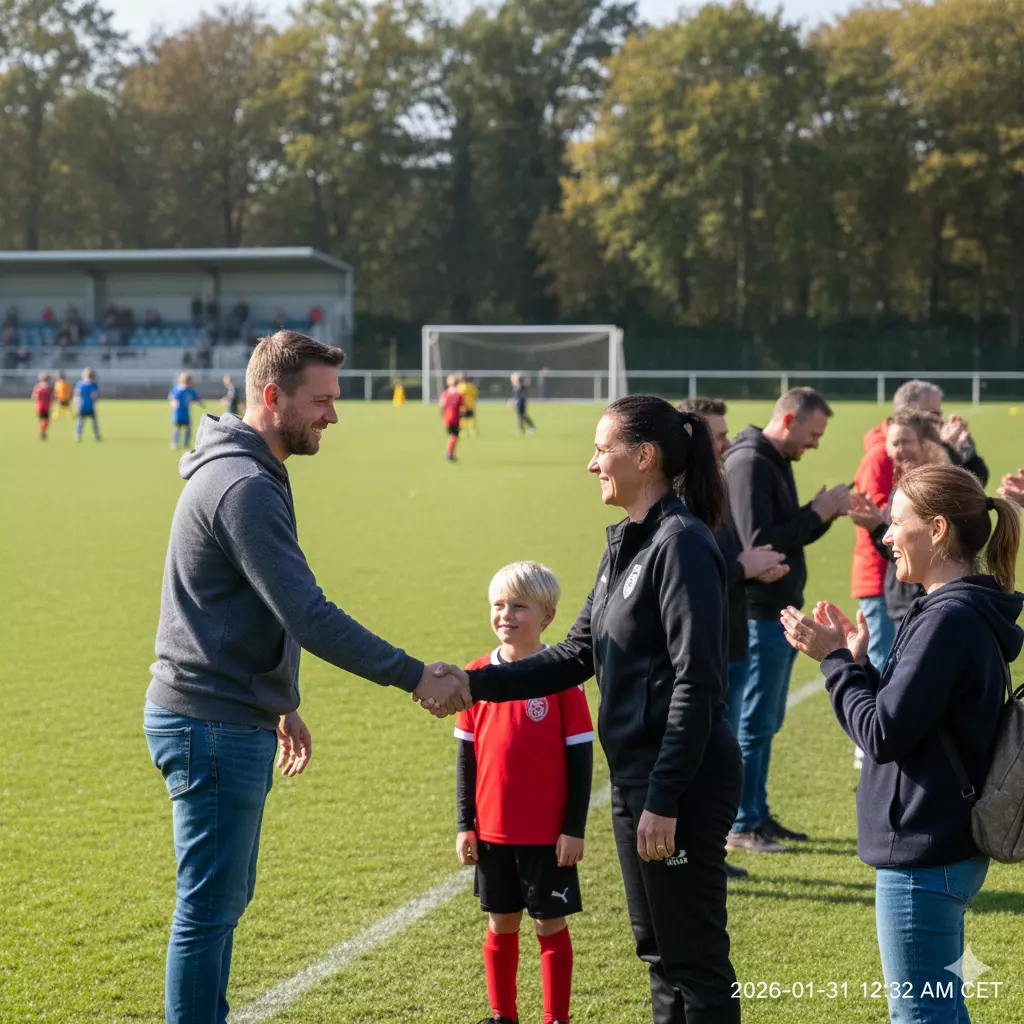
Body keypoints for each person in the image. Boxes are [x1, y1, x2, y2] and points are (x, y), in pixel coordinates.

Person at [143, 330, 470, 1024]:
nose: (333, 415)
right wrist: (413, 674)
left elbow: (248, 605)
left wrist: (279, 699)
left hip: (227, 710)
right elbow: (307, 612)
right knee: (208, 909)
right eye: (321, 400)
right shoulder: (242, 487)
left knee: (220, 904)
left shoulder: (245, 470)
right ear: (272, 397)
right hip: (211, 721)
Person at [427, 394, 743, 1024]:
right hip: (638, 782)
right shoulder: (627, 542)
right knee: (658, 952)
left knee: (695, 959)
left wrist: (665, 797)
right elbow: (575, 654)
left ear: (645, 457)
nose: (591, 464)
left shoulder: (682, 544)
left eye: (602, 450)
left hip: (676, 785)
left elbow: (697, 681)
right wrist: (474, 680)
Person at [781, 464, 1022, 1024]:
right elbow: (904, 719)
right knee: (941, 1009)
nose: (885, 536)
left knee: (921, 1015)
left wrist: (836, 662)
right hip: (941, 846)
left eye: (896, 523)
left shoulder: (948, 619)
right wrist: (859, 664)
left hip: (924, 856)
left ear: (937, 530)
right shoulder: (958, 608)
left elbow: (881, 735)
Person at [455, 561, 593, 1024]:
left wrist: (573, 828)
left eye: (519, 606)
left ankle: (556, 1018)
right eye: (498, 605)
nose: (506, 615)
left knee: (549, 926)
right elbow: (466, 760)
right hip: (493, 832)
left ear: (548, 616)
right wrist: (464, 824)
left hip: (547, 836)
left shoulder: (561, 679)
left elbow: (580, 757)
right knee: (500, 923)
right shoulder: (477, 676)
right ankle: (503, 1016)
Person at [724, 387, 849, 852]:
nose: (814, 444)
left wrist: (820, 516)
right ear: (790, 418)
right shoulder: (751, 463)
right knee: (754, 721)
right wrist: (817, 512)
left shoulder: (771, 460)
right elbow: (763, 541)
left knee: (765, 720)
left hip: (775, 612)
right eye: (813, 434)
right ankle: (741, 823)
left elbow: (783, 535)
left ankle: (755, 813)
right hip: (757, 615)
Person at [678, 398, 788, 880]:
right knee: (698, 760)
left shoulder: (709, 490)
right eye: (716, 435)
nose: (726, 442)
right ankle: (692, 856)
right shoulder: (680, 500)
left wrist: (748, 565)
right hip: (708, 651)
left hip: (732, 638)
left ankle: (707, 853)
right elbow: (686, 575)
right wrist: (743, 567)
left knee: (716, 761)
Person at [848, 414, 945, 633]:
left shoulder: (929, 486)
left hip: (921, 599)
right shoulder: (904, 484)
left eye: (907, 442)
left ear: (924, 442)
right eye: (894, 443)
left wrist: (876, 527)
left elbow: (922, 551)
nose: (900, 450)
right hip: (903, 601)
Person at [892, 379, 988, 483]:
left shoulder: (926, 443)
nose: (939, 420)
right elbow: (936, 488)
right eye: (934, 414)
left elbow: (976, 482)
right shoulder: (894, 451)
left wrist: (965, 449)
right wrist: (944, 447)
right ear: (909, 414)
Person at [169, 372, 204, 450]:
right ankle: (175, 443)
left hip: (186, 413)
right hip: (178, 413)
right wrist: (173, 402)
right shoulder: (178, 389)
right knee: (177, 428)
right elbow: (171, 397)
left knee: (188, 428)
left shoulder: (191, 390)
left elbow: (196, 398)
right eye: (191, 380)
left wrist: (201, 403)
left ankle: (186, 443)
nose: (192, 382)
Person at [440, 373, 465, 462]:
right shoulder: (459, 394)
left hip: (447, 418)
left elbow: (441, 405)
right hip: (455, 418)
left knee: (452, 435)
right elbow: (463, 408)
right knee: (454, 436)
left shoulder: (445, 393)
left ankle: (451, 453)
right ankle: (449, 453)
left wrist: (443, 415)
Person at [74, 368, 101, 443]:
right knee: (94, 422)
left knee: (80, 421)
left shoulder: (80, 384)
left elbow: (77, 395)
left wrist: (76, 404)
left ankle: (78, 435)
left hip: (82, 406)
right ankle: (96, 435)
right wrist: (95, 402)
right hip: (90, 406)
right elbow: (94, 396)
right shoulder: (93, 385)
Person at [32, 372, 54, 441]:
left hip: (39, 407)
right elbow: (51, 397)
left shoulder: (37, 387)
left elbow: (34, 397)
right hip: (46, 407)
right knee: (45, 420)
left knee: (43, 420)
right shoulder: (49, 388)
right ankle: (42, 433)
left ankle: (43, 433)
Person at [458, 372, 480, 438]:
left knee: (465, 420)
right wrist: (474, 403)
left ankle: (465, 433)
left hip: (464, 406)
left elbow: (459, 397)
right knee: (468, 420)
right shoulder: (471, 386)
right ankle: (472, 433)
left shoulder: (460, 387)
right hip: (468, 406)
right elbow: (475, 395)